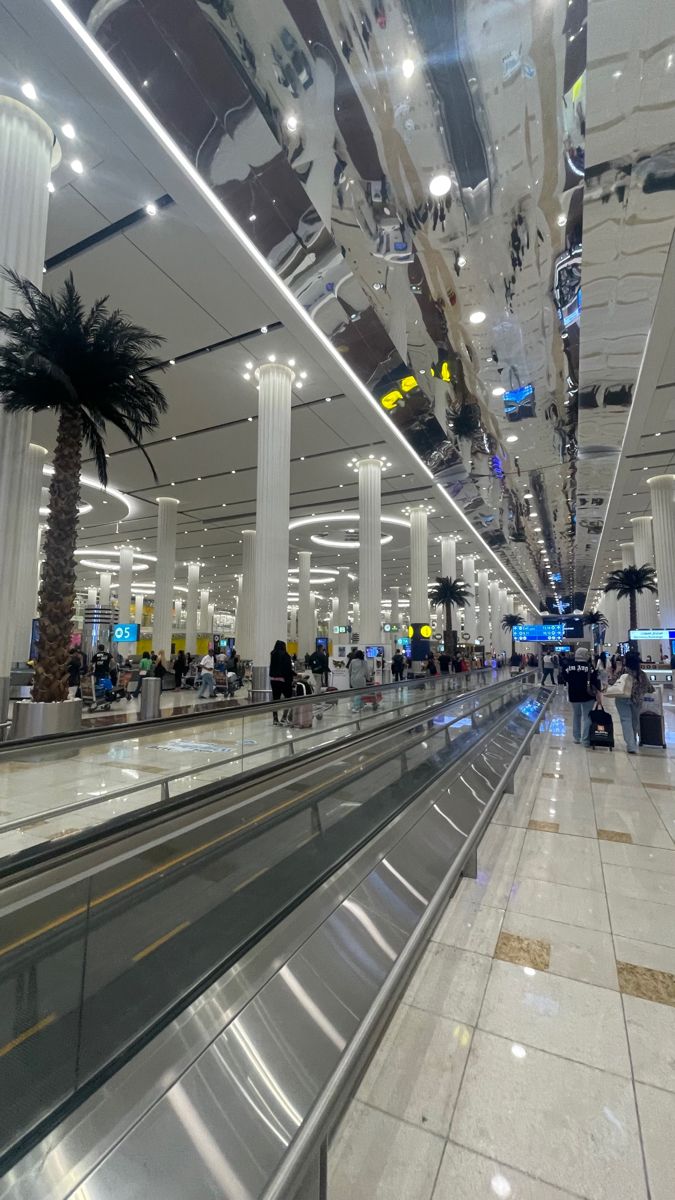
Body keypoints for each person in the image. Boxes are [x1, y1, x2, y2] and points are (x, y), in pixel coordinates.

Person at [612, 649, 654, 754]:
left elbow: (611, 681)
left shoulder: (622, 672)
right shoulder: (641, 674)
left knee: (626, 720)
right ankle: (633, 741)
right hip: (637, 700)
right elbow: (649, 688)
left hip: (622, 699)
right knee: (634, 721)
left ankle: (631, 745)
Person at [566, 646, 601, 746]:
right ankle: (585, 740)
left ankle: (576, 738)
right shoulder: (590, 667)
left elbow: (565, 678)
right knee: (587, 716)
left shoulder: (569, 666)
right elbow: (595, 680)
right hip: (588, 695)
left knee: (576, 715)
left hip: (573, 694)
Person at [270, 639, 294, 724]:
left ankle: (275, 719)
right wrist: (294, 675)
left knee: (275, 700)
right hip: (283, 680)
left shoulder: (272, 654)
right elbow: (287, 669)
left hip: (273, 680)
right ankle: (284, 717)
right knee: (288, 699)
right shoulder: (286, 655)